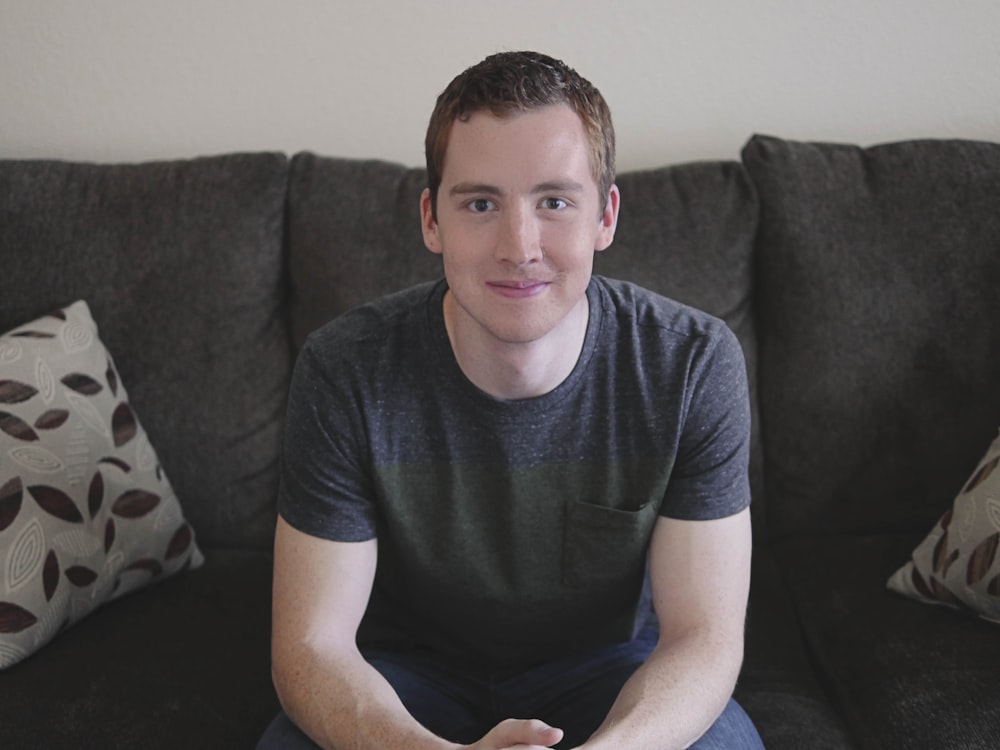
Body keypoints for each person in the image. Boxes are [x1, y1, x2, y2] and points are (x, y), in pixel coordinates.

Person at [257, 50, 764, 750]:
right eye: (481, 203)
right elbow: (311, 651)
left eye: (554, 201)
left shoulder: (692, 366)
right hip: (404, 678)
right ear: (432, 219)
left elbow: (703, 640)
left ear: (605, 216)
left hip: (609, 673)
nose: (518, 246)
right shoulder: (344, 370)